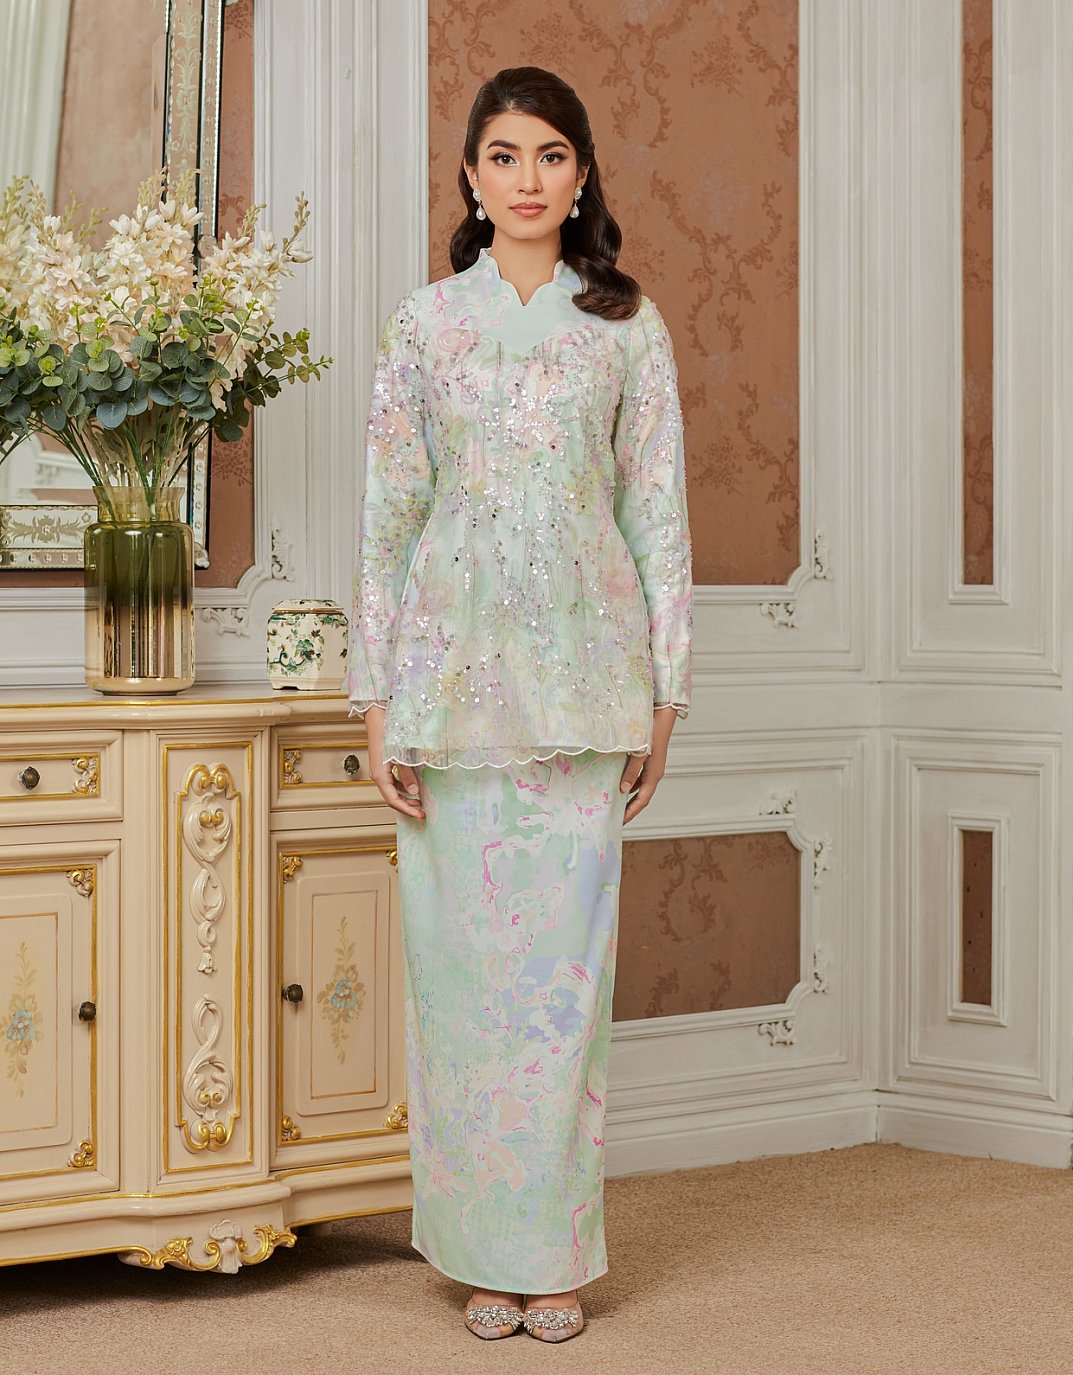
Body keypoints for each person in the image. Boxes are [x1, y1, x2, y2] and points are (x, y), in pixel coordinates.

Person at [348, 65, 692, 1344]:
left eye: (550, 155)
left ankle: (550, 1258)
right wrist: (373, 700)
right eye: (503, 155)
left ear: (581, 174)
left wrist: (664, 696)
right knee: (459, 992)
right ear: (471, 177)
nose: (528, 178)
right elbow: (387, 520)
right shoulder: (423, 324)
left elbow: (657, 513)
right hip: (445, 691)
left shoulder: (626, 326)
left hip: (586, 689)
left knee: (560, 995)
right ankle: (477, 1252)